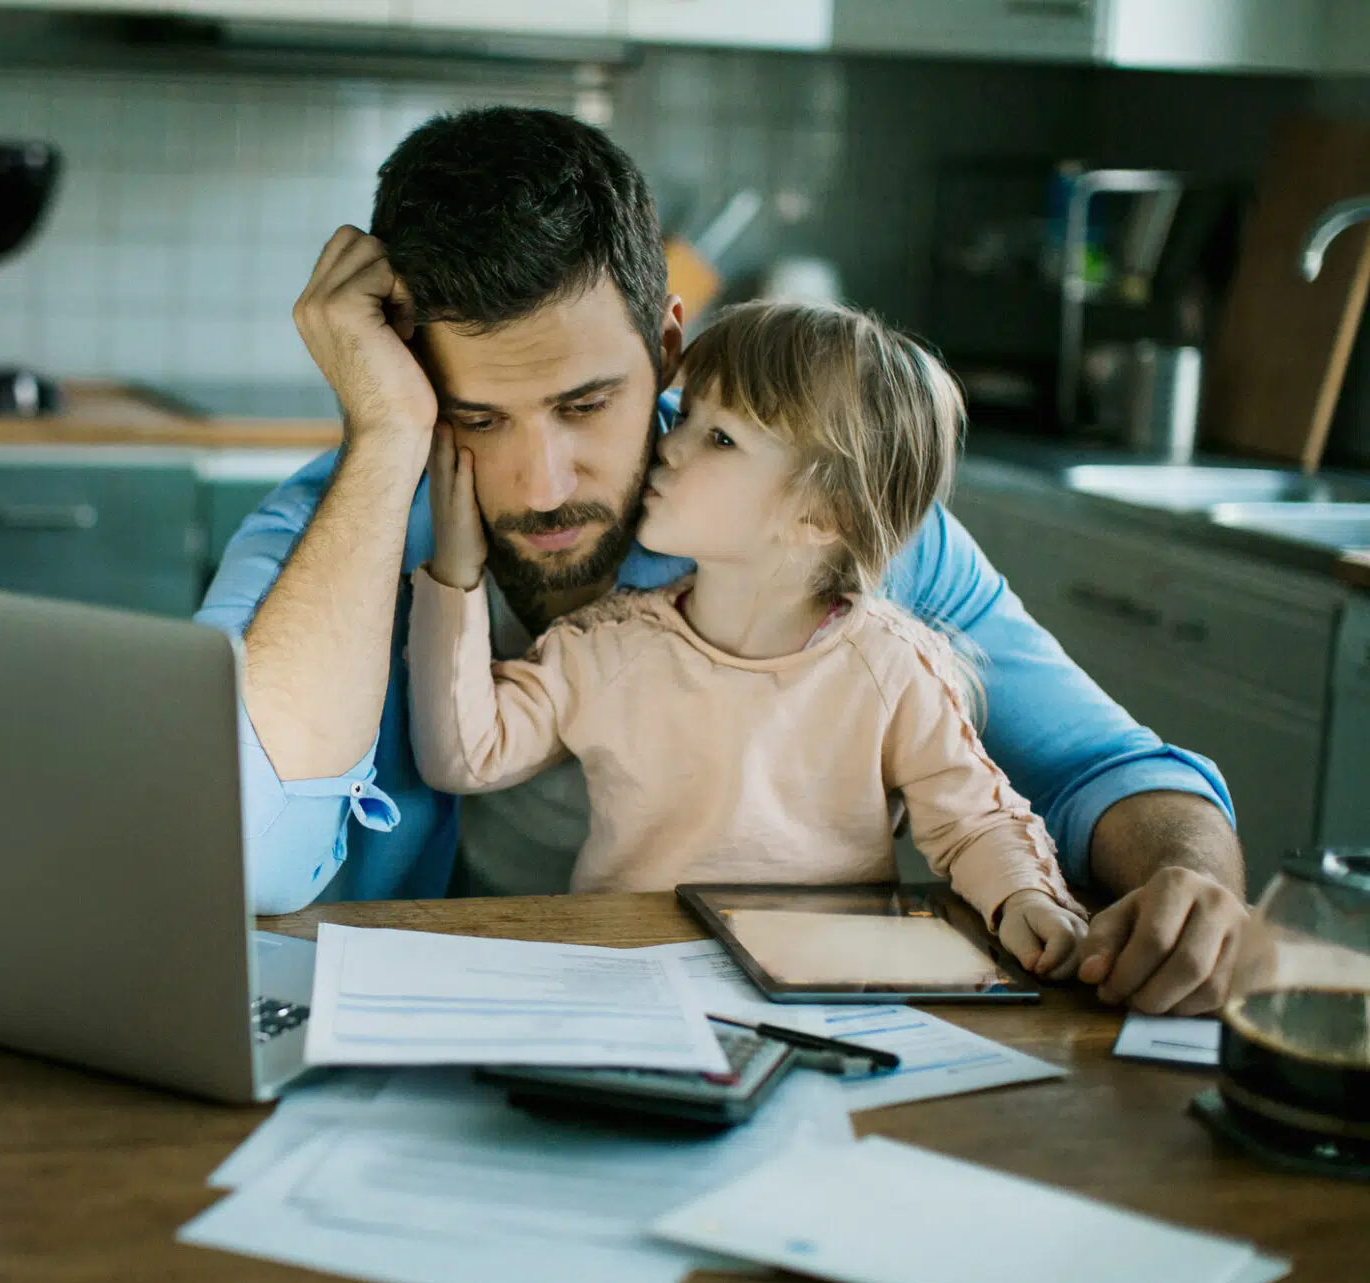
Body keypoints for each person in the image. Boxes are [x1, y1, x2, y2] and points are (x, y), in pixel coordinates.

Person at [197, 105, 1248, 1016]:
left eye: (584, 404)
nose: (542, 482)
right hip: (432, 1041)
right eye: (474, 416)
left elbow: (1102, 770)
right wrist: (385, 442)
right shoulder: (329, 533)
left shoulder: (819, 520)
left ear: (665, 348)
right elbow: (234, 852)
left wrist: (1185, 882)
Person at [408, 299, 1090, 977]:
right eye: (690, 413)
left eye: (720, 437)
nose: (669, 444)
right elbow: (466, 756)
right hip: (636, 979)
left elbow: (973, 823)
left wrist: (1027, 897)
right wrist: (456, 572)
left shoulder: (892, 667)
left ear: (823, 514)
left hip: (826, 994)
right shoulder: (606, 647)